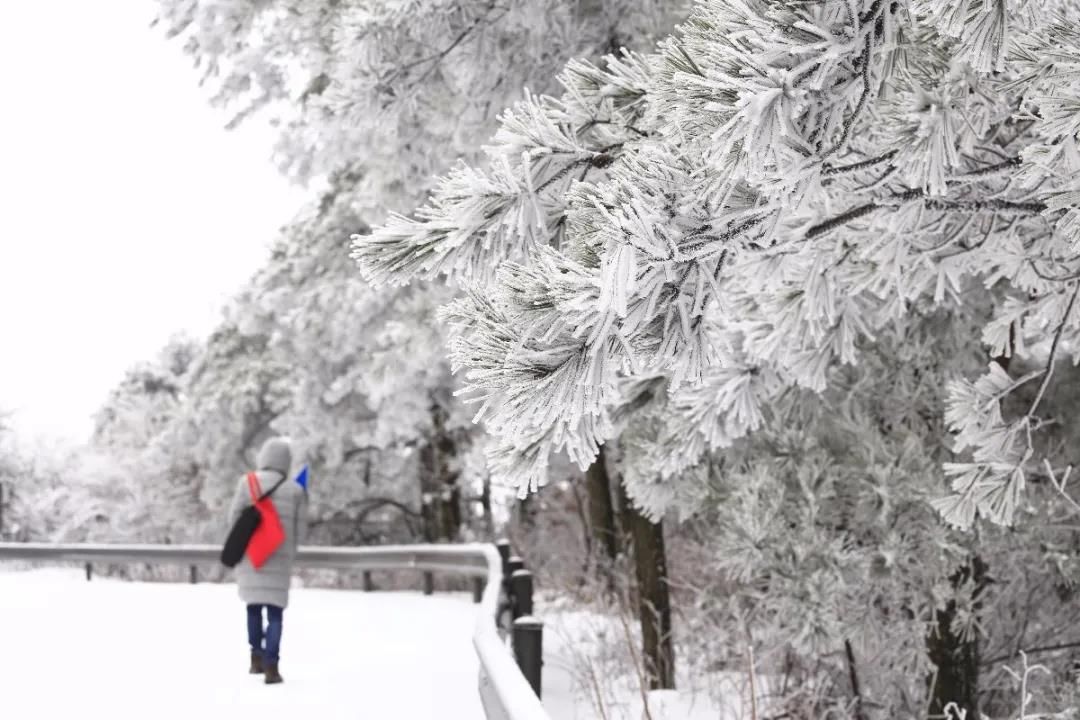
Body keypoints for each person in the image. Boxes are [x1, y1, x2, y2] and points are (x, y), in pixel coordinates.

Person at [226, 436, 307, 684]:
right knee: (275, 614)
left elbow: (234, 519)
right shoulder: (295, 490)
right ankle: (272, 666)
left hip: (253, 555)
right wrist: (289, 551)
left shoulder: (247, 483)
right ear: (286, 461)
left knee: (252, 608)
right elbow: (301, 530)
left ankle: (255, 658)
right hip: (280, 557)